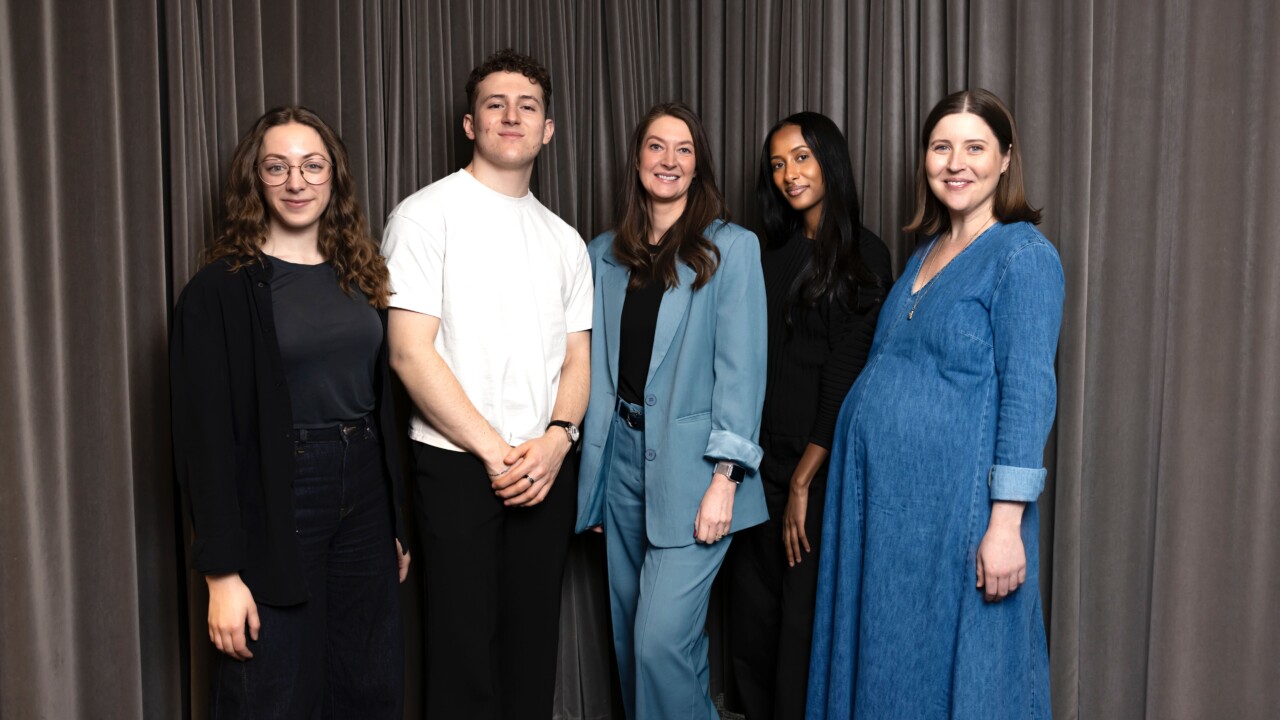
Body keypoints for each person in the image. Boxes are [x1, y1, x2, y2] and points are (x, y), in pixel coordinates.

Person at [806, 88, 1062, 718]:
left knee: (958, 670)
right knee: (886, 663)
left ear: (1005, 158)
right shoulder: (924, 254)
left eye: (975, 147)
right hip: (885, 515)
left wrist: (1005, 525)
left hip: (955, 517)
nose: (956, 163)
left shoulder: (1024, 256)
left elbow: (1028, 392)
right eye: (942, 147)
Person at [170, 105, 410, 718]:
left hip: (365, 491)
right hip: (280, 492)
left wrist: (395, 521)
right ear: (255, 179)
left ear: (334, 176)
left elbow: (383, 403)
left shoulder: (363, 273)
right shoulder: (218, 290)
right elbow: (204, 442)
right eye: (277, 167)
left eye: (312, 166)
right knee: (272, 691)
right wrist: (221, 575)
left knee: (368, 683)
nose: (296, 182)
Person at [381, 49, 592, 720]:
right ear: (470, 124)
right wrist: (496, 452)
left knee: (531, 655)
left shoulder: (566, 241)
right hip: (456, 465)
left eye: (527, 106)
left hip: (544, 466)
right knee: (462, 657)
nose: (511, 116)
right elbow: (409, 353)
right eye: (495, 104)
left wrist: (557, 441)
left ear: (547, 129)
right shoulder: (423, 216)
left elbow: (577, 359)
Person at [575, 101, 768, 720]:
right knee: (636, 642)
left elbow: (741, 372)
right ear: (637, 160)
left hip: (697, 472)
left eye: (683, 149)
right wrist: (597, 483)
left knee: (658, 644)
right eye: (656, 146)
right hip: (622, 466)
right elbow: (596, 375)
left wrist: (726, 479)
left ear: (698, 164)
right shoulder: (603, 254)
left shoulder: (732, 249)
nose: (669, 160)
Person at [723, 112, 891, 720]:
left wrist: (802, 481)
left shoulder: (865, 255)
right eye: (777, 164)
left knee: (800, 622)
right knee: (751, 617)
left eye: (801, 157)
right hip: (755, 460)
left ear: (829, 161)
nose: (789, 174)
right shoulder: (766, 251)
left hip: (815, 468)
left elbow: (847, 376)